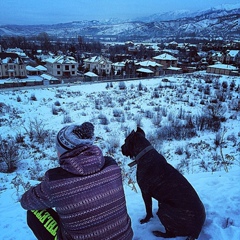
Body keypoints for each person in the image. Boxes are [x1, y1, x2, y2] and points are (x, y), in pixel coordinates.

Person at [21, 122, 133, 240]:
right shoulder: (111, 166)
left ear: (62, 151)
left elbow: (26, 202)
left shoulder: (55, 180)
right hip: (125, 236)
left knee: (34, 212)